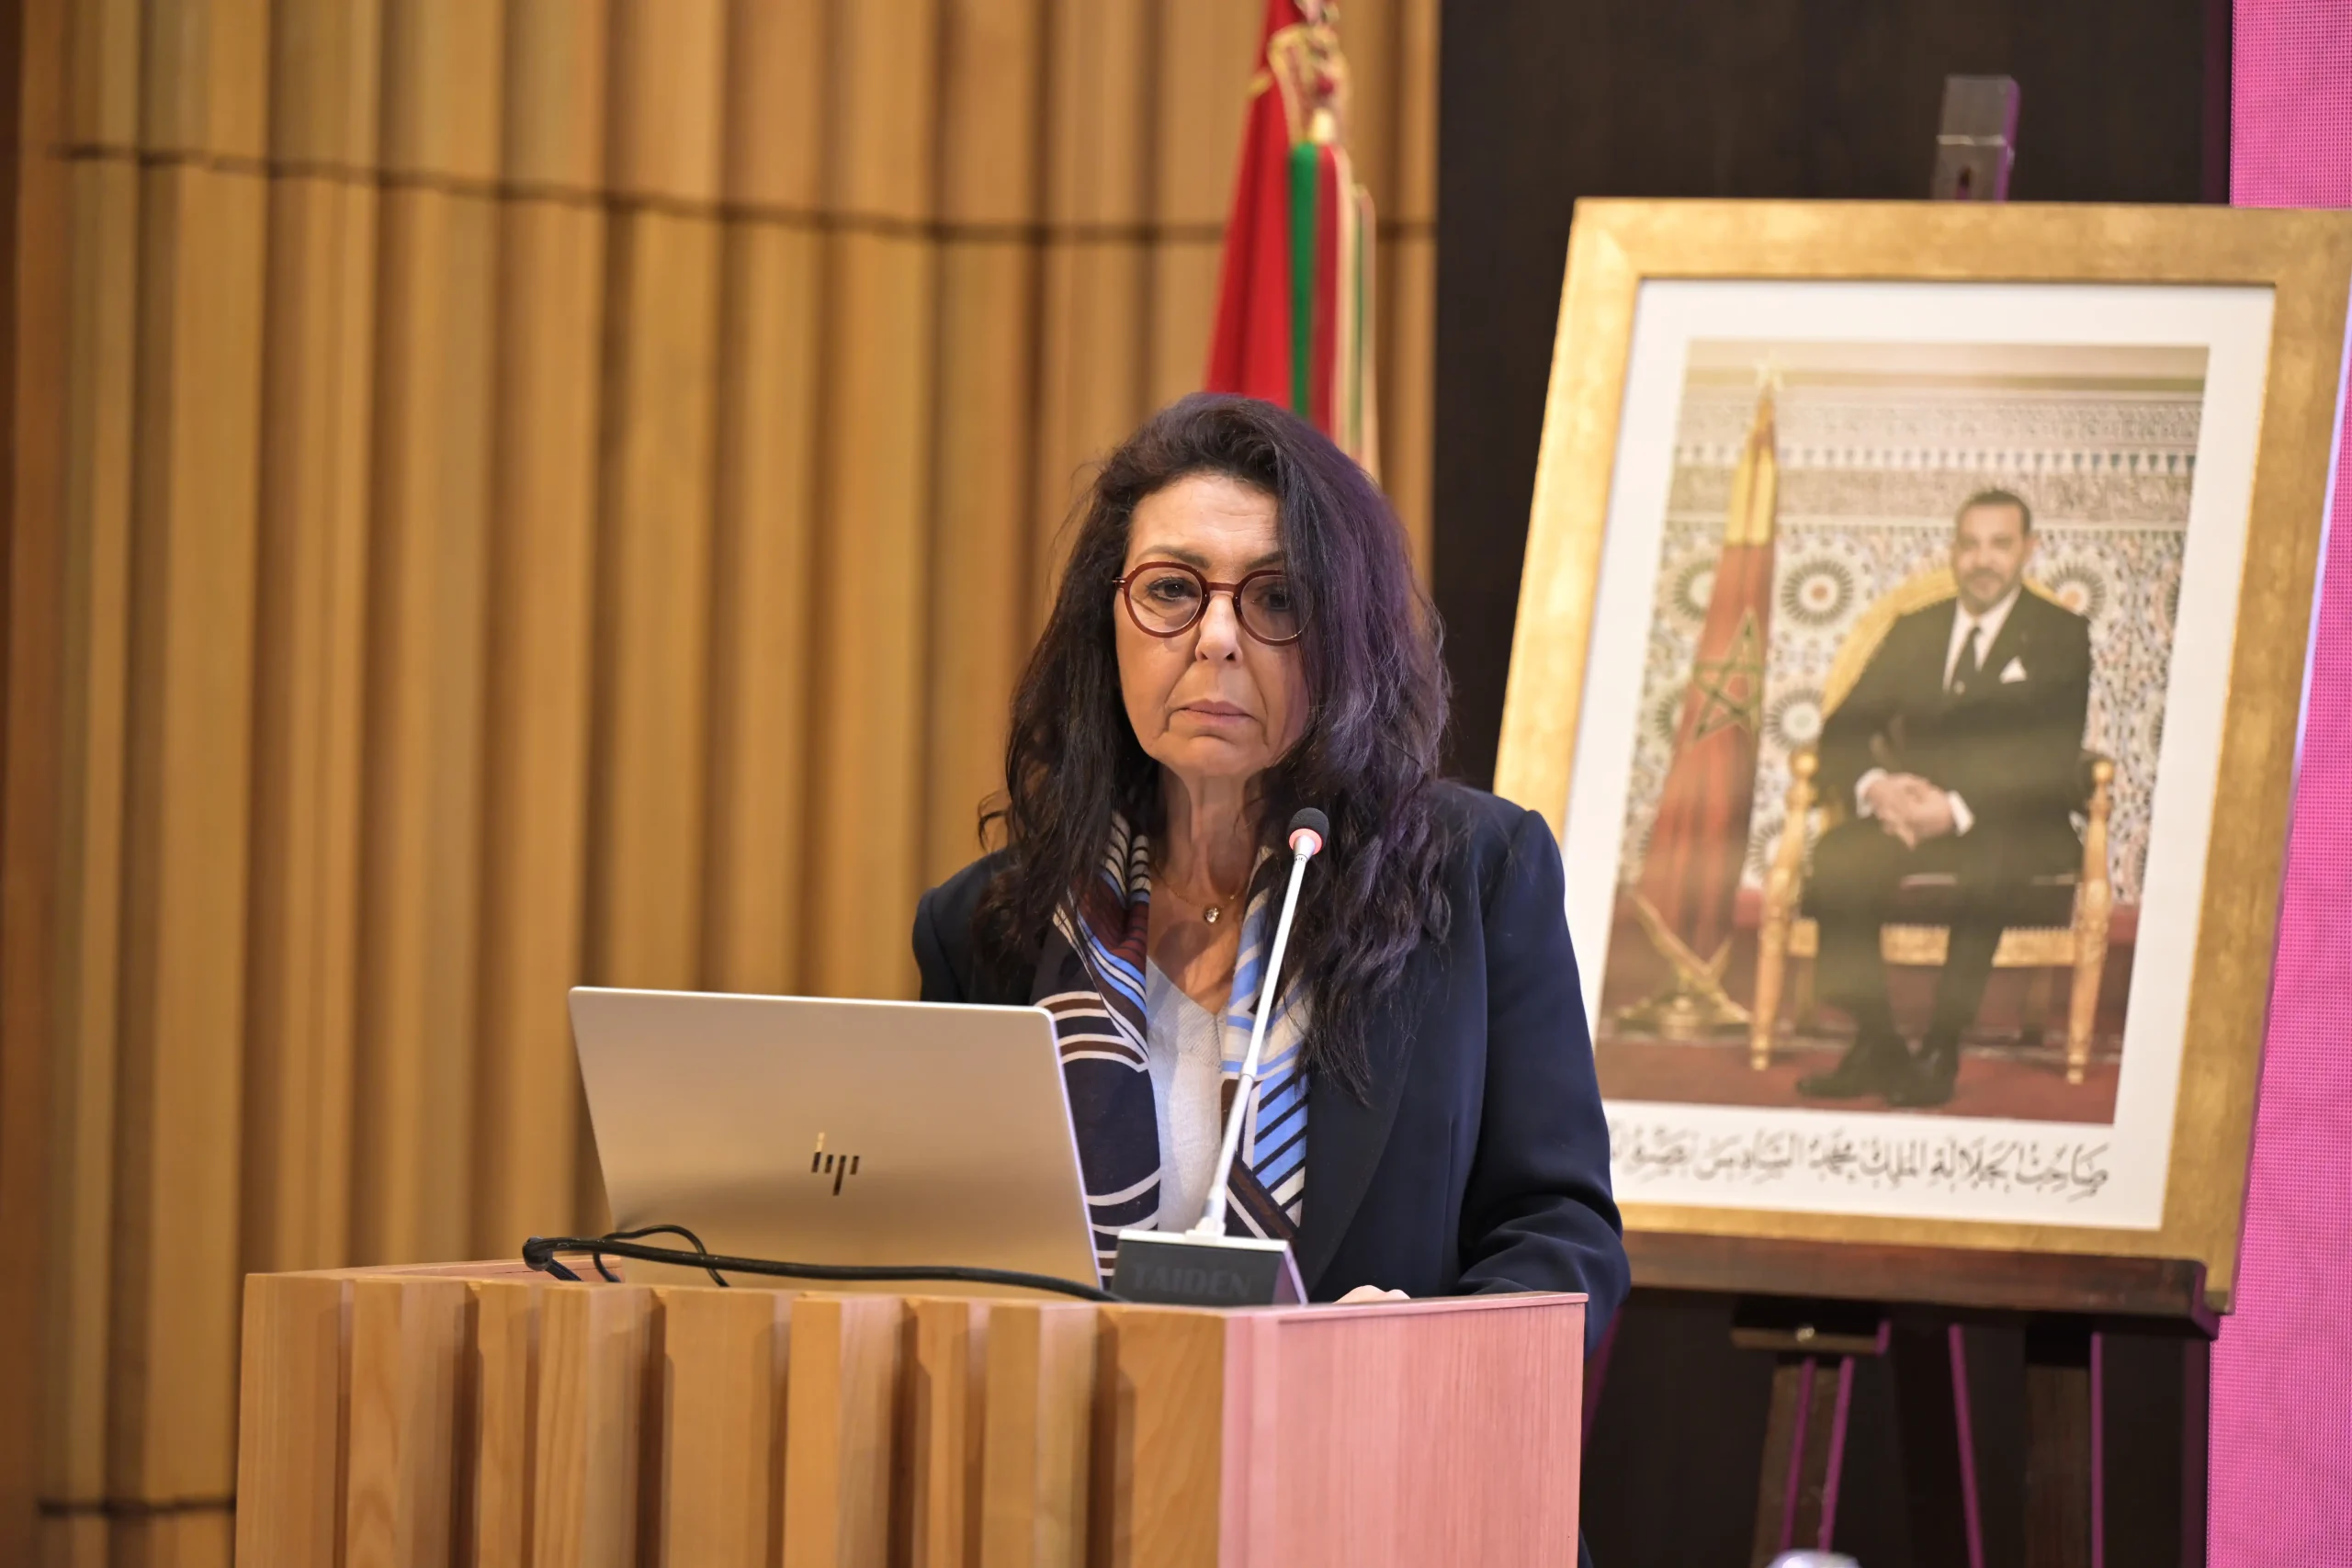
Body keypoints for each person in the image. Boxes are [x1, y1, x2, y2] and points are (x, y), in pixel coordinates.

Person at [911, 393, 1626, 1337]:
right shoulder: (989, 926)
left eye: (1278, 598)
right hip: (1062, 1424)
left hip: (1368, 1429)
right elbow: (933, 1249)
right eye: (1172, 589)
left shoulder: (1474, 875)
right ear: (1105, 620)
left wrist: (1424, 1351)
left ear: (1345, 637)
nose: (1216, 637)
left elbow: (1561, 1236)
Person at [1798, 489, 2093, 1108]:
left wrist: (1955, 809)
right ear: (1954, 552)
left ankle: (1940, 1047)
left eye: (2000, 544)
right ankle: (1877, 1043)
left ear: (2028, 549)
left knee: (1990, 863)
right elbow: (1844, 727)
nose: (1984, 560)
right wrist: (1878, 787)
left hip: (2014, 818)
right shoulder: (1918, 630)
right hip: (1913, 813)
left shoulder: (2060, 634)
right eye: (1970, 545)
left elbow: (2050, 752)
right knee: (1838, 856)